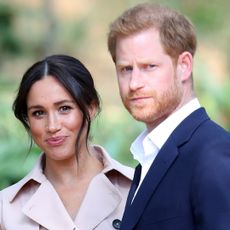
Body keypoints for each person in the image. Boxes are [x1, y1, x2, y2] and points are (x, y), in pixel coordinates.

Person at [107, 3, 230, 230]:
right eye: (126, 69)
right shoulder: (151, 154)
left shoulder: (213, 155)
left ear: (184, 66)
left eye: (149, 66)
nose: (134, 83)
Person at [0, 54, 133, 230]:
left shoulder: (137, 188)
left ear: (91, 108)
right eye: (38, 113)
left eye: (64, 108)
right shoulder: (6, 207)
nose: (52, 126)